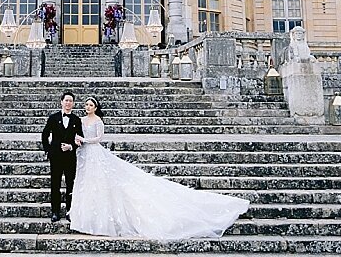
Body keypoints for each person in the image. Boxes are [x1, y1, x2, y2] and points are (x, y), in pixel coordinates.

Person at [69, 97, 248, 239]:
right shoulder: (81, 119)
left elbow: (99, 138)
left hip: (95, 153)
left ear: (96, 107)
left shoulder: (98, 120)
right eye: (86, 104)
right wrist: (76, 140)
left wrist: (83, 140)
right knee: (88, 184)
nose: (87, 107)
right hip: (84, 155)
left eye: (90, 105)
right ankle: (88, 219)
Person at [40, 92, 83, 222]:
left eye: (70, 101)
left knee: (71, 184)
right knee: (55, 184)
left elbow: (80, 139)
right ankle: (55, 212)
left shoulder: (76, 120)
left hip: (70, 157)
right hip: (56, 156)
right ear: (61, 102)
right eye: (66, 100)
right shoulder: (53, 118)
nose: (68, 103)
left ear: (73, 104)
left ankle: (70, 211)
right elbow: (45, 134)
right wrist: (48, 150)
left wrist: (71, 146)